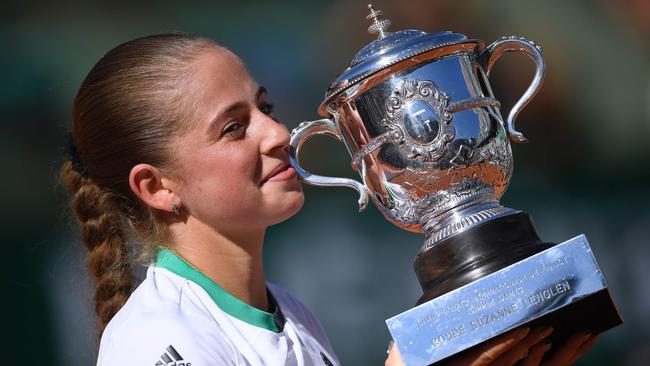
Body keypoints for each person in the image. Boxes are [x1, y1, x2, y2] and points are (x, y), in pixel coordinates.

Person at [61, 33, 597, 366]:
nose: (278, 133)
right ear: (158, 187)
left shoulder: (288, 311)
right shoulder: (155, 339)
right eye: (232, 128)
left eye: (265, 106)